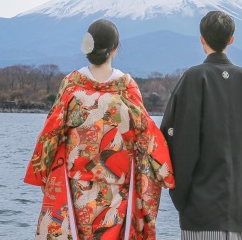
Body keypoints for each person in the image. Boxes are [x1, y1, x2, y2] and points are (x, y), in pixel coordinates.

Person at [25, 19, 175, 240]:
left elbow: (52, 130)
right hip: (117, 185)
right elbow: (147, 133)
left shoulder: (72, 84)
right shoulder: (126, 86)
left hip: (77, 184)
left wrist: (44, 170)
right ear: (115, 48)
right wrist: (164, 173)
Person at [160, 10, 242, 240]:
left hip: (201, 209)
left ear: (202, 39)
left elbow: (178, 137)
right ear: (231, 40)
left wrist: (177, 187)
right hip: (240, 207)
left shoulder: (194, 77)